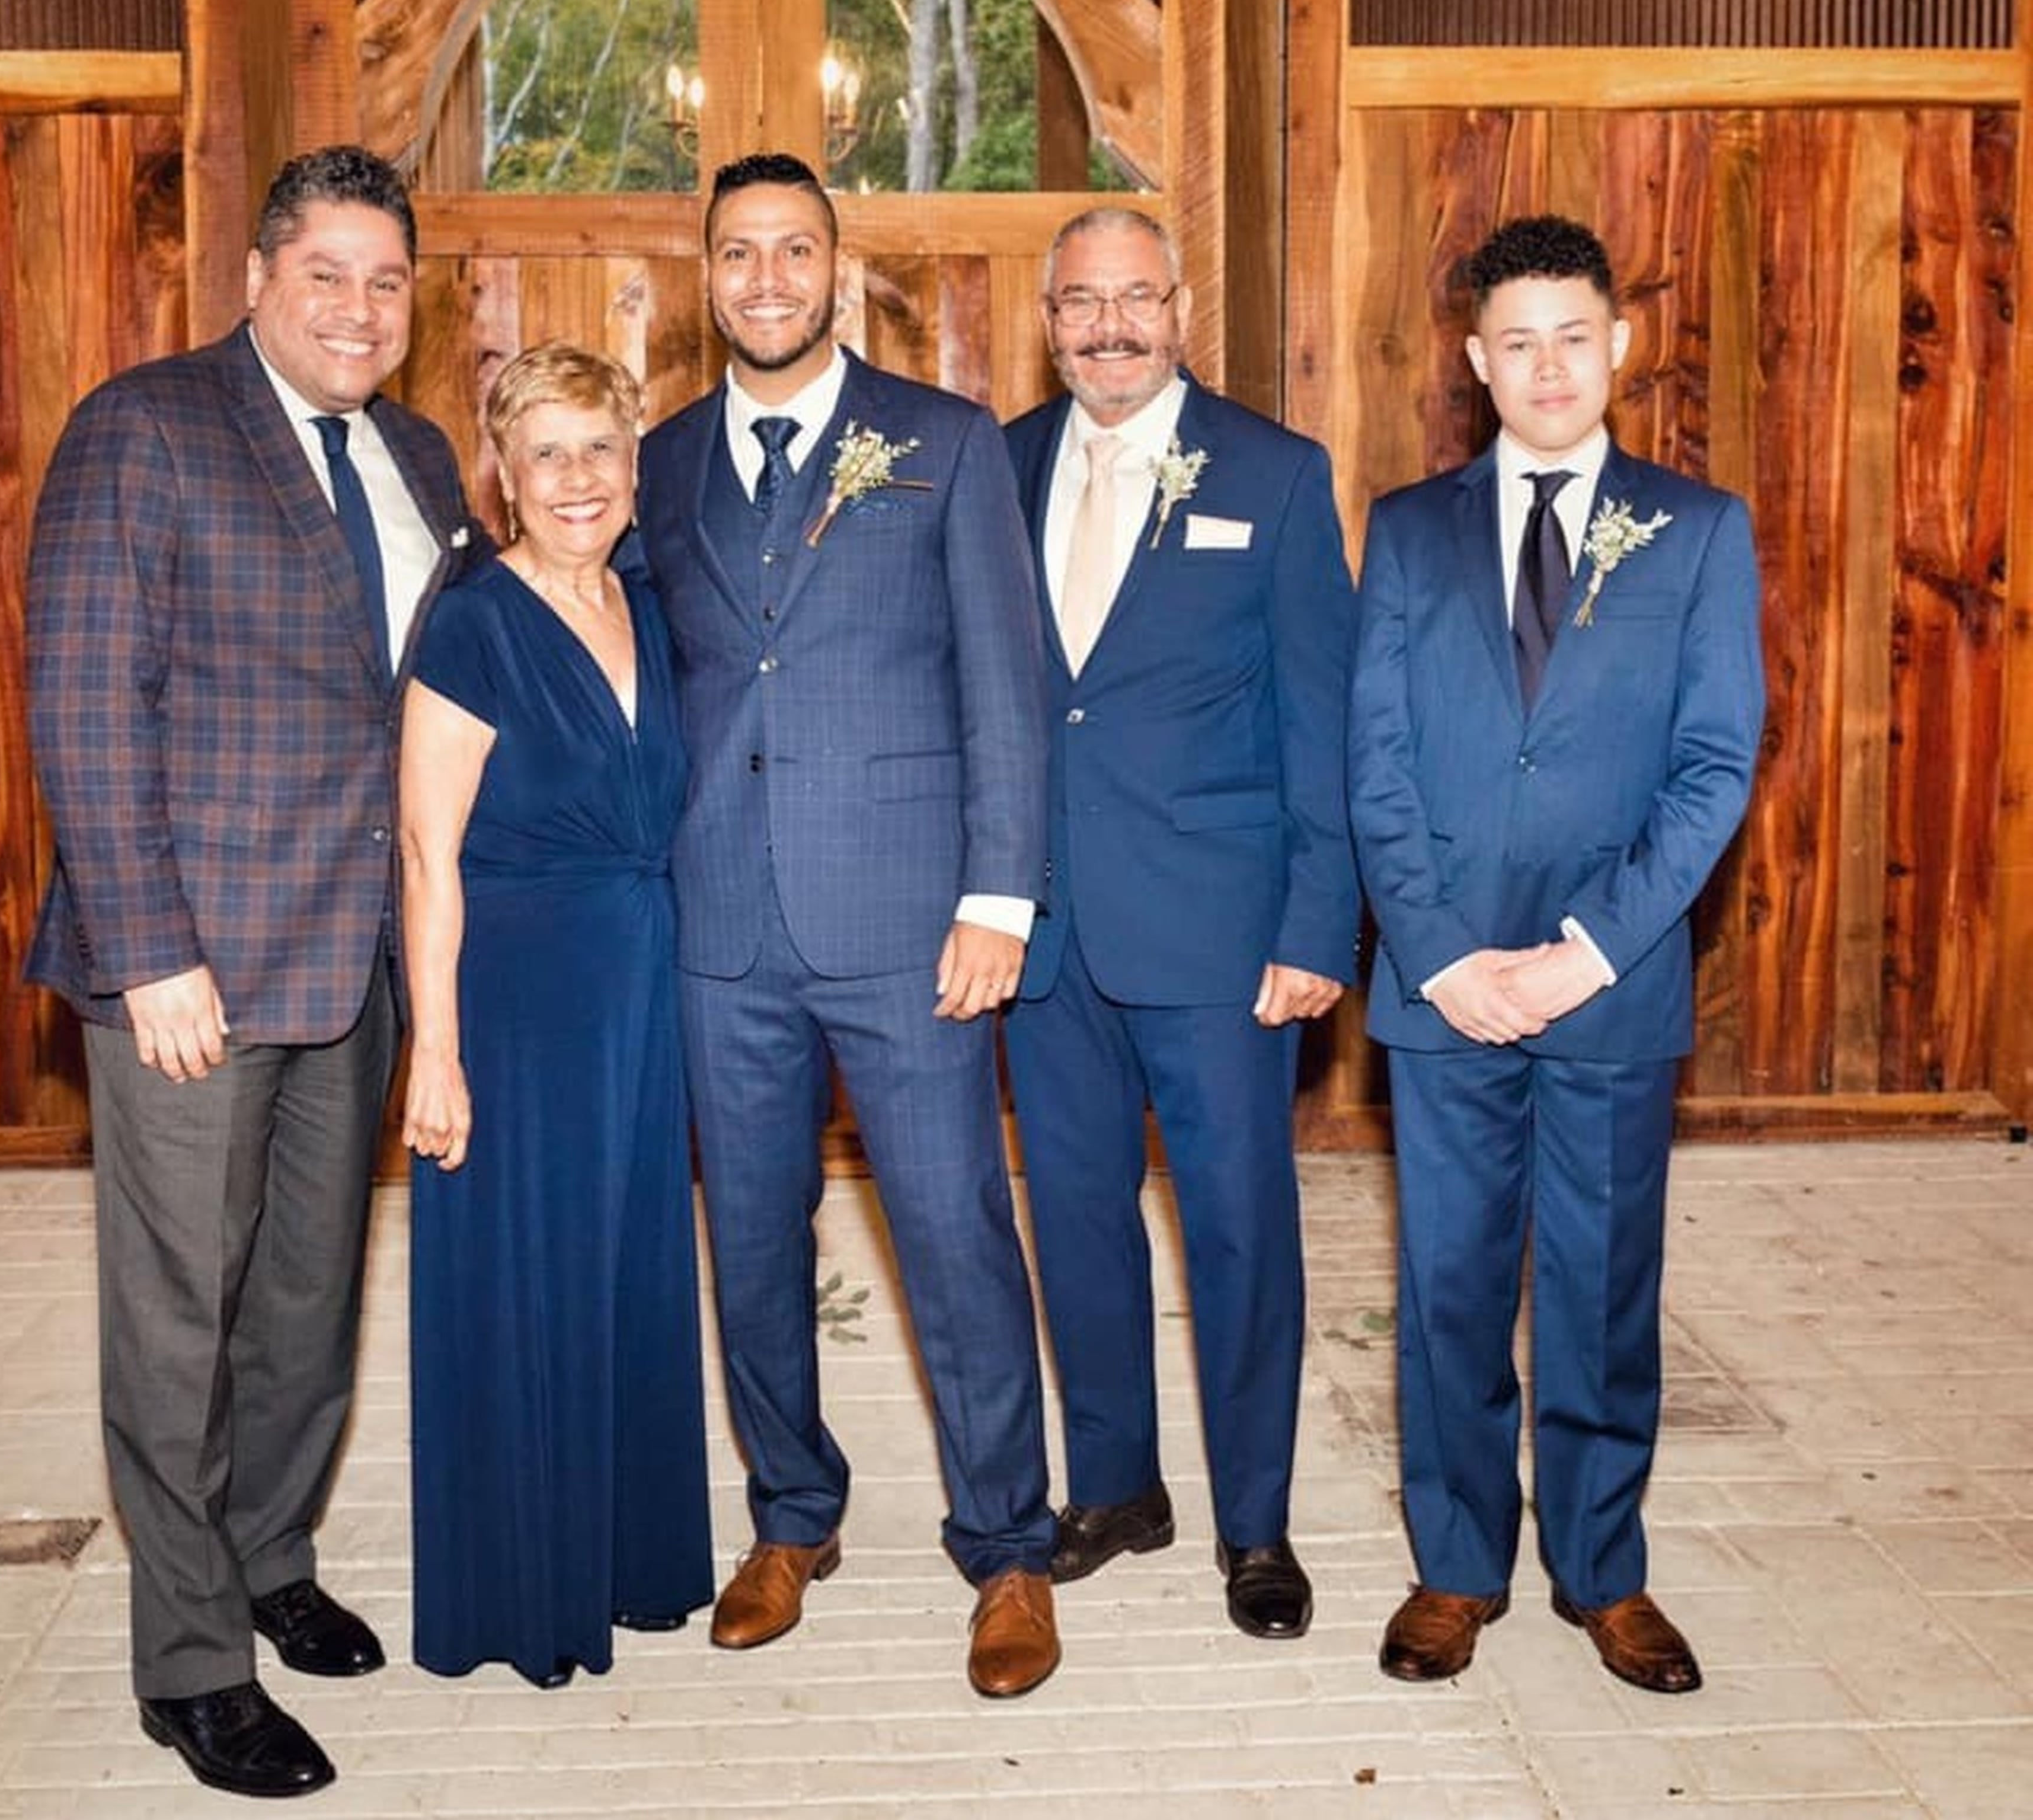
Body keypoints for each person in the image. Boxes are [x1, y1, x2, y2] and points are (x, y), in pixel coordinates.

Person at [24, 146, 474, 1799]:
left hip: (350, 959)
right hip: (192, 975)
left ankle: (271, 1556)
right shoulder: (143, 430)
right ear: (257, 280)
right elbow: (82, 700)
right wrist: (147, 954)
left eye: (385, 279)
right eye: (326, 274)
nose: (358, 307)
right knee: (178, 1317)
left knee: (304, 1303)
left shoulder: (421, 454)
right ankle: (192, 1660)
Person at [634, 152, 1060, 1697]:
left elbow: (1009, 686)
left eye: (793, 250)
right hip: (721, 929)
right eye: (737, 253)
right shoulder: (665, 460)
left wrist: (999, 897)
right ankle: (791, 1514)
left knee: (954, 1239)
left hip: (906, 927)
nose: (765, 278)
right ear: (708, 276)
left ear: (838, 267)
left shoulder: (942, 445)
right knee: (750, 1245)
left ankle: (1009, 1545)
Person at [1348, 215, 1764, 1696]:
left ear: (1618, 347)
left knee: (1598, 1292)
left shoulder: (1698, 530)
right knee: (1451, 1286)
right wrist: (1446, 955)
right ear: (1475, 360)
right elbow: (1376, 765)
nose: (1546, 367)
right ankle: (1457, 1567)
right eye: (1515, 341)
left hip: (1611, 981)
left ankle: (1605, 1569)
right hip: (1444, 985)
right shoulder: (1405, 530)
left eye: (1572, 337)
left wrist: (1586, 954)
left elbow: (1717, 766)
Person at [1001, 208, 1357, 1639]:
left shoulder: (1273, 474)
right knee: (1077, 1221)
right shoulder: (1002, 462)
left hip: (1220, 931)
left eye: (1135, 298)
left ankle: (1255, 1523)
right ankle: (1115, 1488)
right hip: (1043, 933)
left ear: (1182, 306)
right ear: (1049, 315)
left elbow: (1321, 718)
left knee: (1238, 1230)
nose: (1109, 326)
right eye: (1081, 303)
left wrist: (1320, 922)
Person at [398, 341, 713, 1687]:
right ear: (502, 477)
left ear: (635, 465)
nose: (577, 477)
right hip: (522, 999)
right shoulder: (473, 622)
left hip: (642, 985)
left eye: (599, 447)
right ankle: (525, 1588)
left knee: (631, 1266)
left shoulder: (649, 598)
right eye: (546, 452)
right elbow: (426, 853)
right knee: (531, 1277)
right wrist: (438, 1050)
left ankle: (631, 1559)